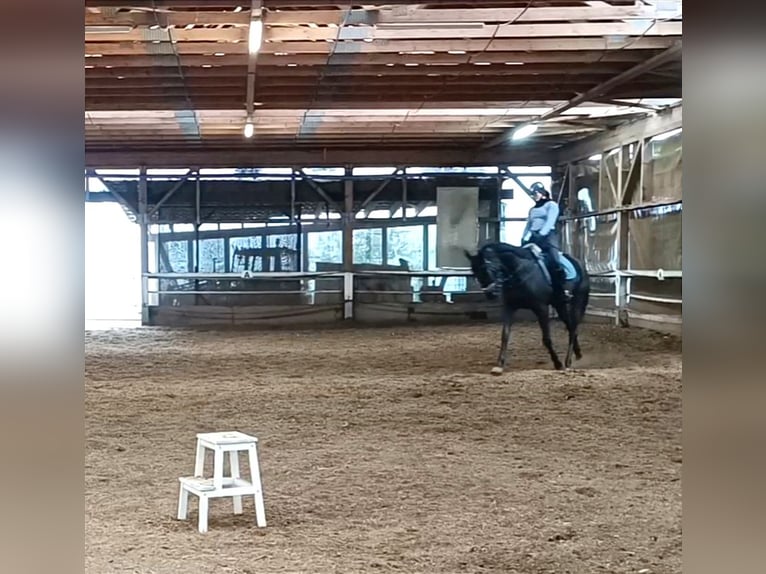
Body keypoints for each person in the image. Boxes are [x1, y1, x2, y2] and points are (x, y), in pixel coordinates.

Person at [521, 182, 572, 301]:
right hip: (534, 236)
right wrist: (524, 237)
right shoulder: (532, 210)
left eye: (536, 193)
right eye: (533, 194)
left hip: (548, 236)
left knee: (554, 260)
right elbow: (529, 224)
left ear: (542, 193)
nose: (534, 196)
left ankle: (563, 288)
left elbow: (550, 221)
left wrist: (542, 234)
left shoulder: (551, 205)